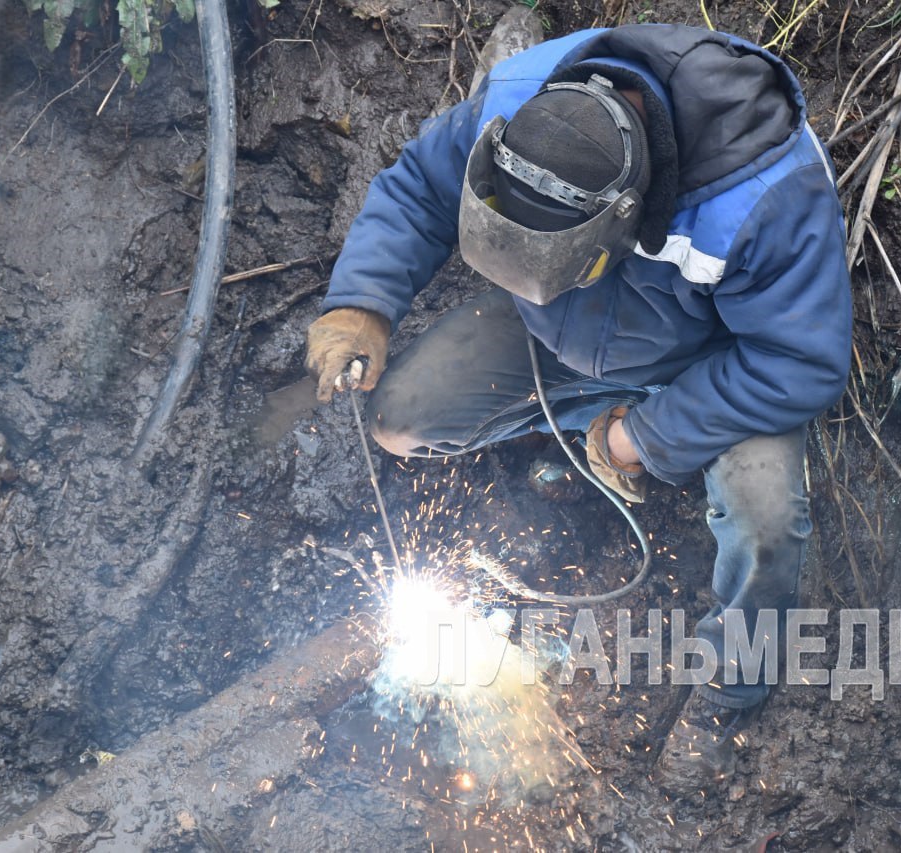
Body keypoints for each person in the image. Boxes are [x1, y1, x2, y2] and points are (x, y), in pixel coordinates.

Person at [304, 23, 852, 794]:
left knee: (764, 523)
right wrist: (364, 301)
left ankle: (729, 694)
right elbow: (419, 187)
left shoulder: (762, 197)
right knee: (402, 419)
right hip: (563, 333)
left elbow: (799, 359)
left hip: (719, 367)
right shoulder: (519, 106)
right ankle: (574, 438)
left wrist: (641, 438)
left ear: (625, 217)